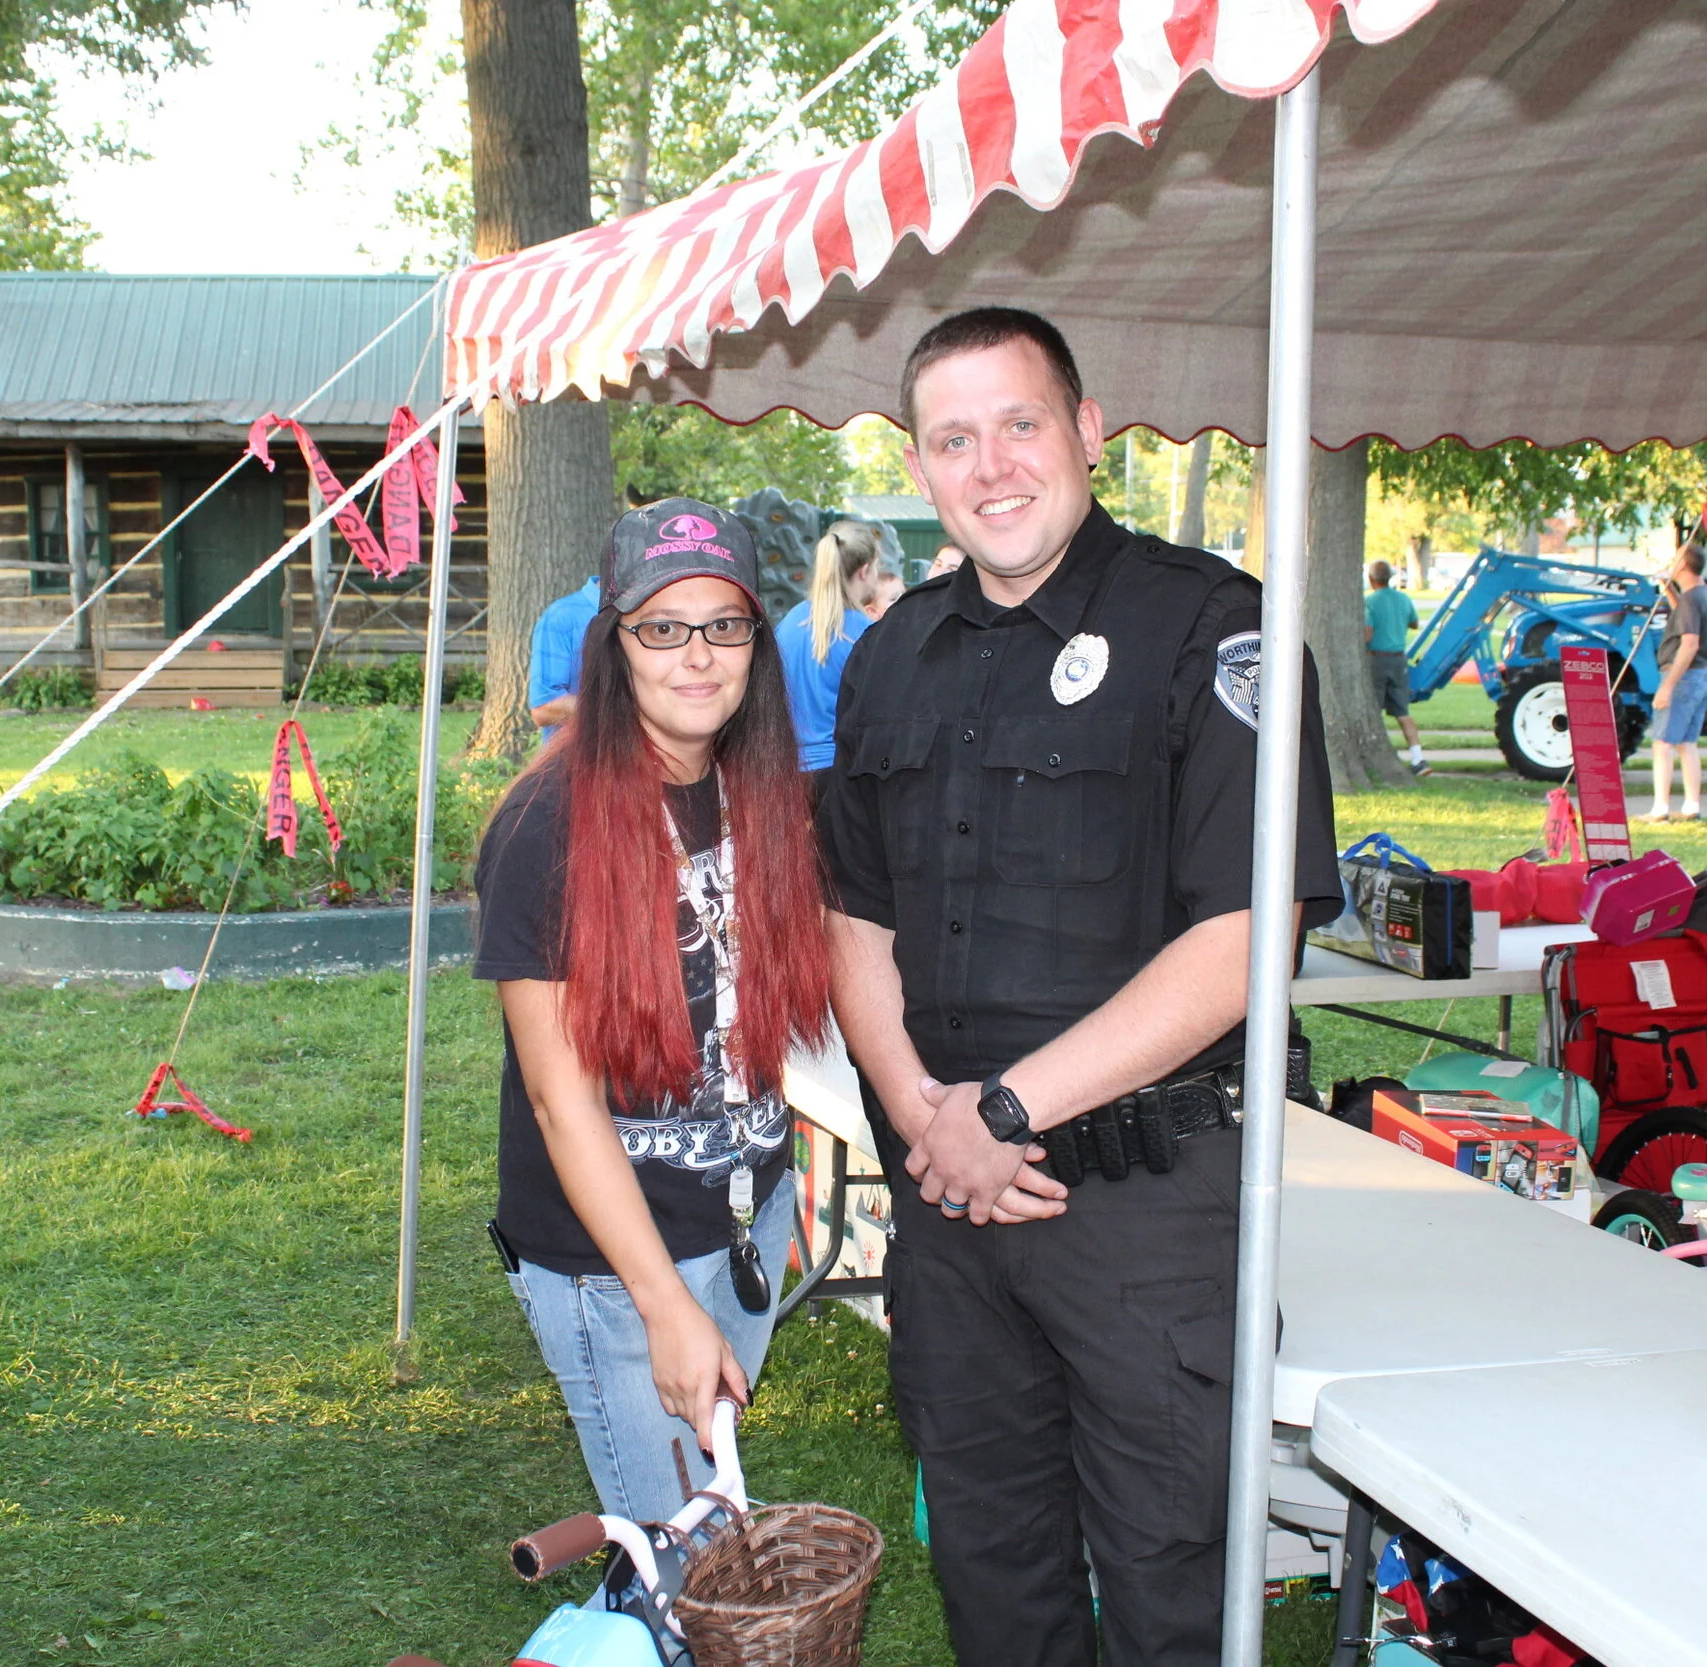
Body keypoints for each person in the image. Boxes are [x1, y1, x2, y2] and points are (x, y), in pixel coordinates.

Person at [820, 308, 1343, 1666]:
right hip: (951, 1200)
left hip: (1146, 1209)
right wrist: (923, 1111)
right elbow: (851, 912)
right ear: (920, 468)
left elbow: (1251, 936)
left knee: (1170, 1586)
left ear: (1088, 431)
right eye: (953, 439)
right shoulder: (889, 653)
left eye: (1020, 423)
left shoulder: (1212, 629)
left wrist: (1000, 1110)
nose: (991, 465)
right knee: (991, 1566)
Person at [473, 498, 830, 1525]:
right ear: (614, 643)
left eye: (724, 624)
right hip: (617, 1267)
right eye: (663, 627)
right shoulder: (545, 826)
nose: (698, 655)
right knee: (683, 1550)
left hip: (745, 1215)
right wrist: (665, 1305)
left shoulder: (762, 792)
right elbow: (561, 1102)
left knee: (707, 1519)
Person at [775, 520, 886, 795]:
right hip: (842, 774)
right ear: (865, 571)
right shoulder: (864, 632)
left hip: (786, 774)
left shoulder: (789, 622)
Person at [1642, 543, 1707, 823]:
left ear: (1683, 565)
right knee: (1687, 743)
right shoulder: (1706, 594)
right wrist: (1670, 593)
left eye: (1675, 559)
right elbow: (1687, 621)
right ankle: (1691, 806)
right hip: (1703, 676)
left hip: (1684, 678)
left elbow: (1689, 643)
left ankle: (1660, 809)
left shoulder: (1691, 599)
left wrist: (1667, 686)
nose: (1671, 563)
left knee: (1663, 743)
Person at [1362, 560, 1429, 776]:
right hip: (1399, 660)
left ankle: (1374, 754)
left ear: (1371, 579)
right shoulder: (1403, 599)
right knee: (1402, 711)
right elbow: (1414, 623)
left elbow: (1367, 633)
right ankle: (1418, 758)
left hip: (1377, 660)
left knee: (1373, 710)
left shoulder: (1369, 602)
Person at [527, 574, 603, 742]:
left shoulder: (652, 614)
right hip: (580, 755)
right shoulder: (562, 617)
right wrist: (617, 709)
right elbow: (544, 709)